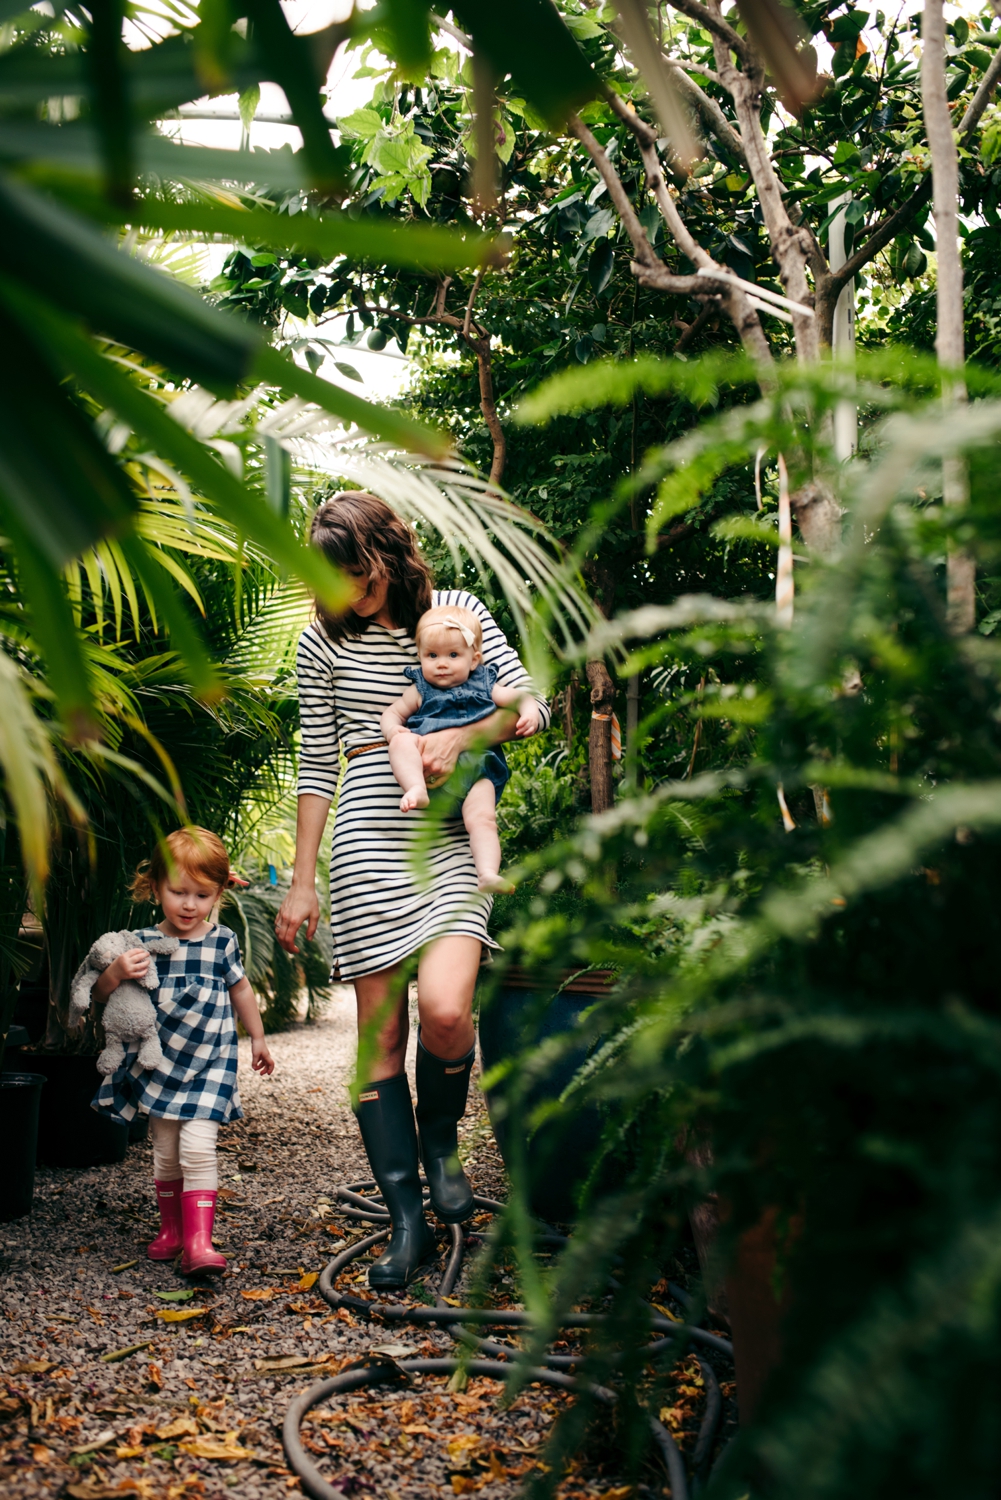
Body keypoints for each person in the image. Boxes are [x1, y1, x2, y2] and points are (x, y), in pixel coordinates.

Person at [275, 492, 547, 1289]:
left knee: (447, 1009)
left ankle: (441, 1149)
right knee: (380, 1040)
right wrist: (299, 883)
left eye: (358, 577)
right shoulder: (318, 643)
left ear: (389, 555)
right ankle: (406, 1221)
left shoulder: (455, 613)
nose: (348, 596)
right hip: (367, 829)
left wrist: (463, 734)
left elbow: (530, 705)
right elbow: (317, 765)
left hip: (452, 831)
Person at [91, 827, 274, 1276]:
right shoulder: (138, 943)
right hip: (159, 1062)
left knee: (198, 1147)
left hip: (211, 1061)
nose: (189, 905)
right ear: (155, 887)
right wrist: (115, 972)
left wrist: (258, 1037)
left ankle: (199, 1241)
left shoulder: (222, 941)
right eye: (178, 892)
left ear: (218, 894)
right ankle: (171, 1231)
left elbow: (242, 990)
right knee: (167, 1149)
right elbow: (99, 996)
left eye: (202, 894)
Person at [380, 603, 541, 894]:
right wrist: (394, 731)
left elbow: (521, 697)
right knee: (401, 741)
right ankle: (414, 787)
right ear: (420, 657)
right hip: (429, 776)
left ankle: (487, 873)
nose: (441, 663)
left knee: (483, 819)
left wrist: (528, 711)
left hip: (476, 771)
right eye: (432, 655)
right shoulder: (419, 690)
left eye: (453, 655)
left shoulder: (484, 684)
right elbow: (391, 714)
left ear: (473, 659)